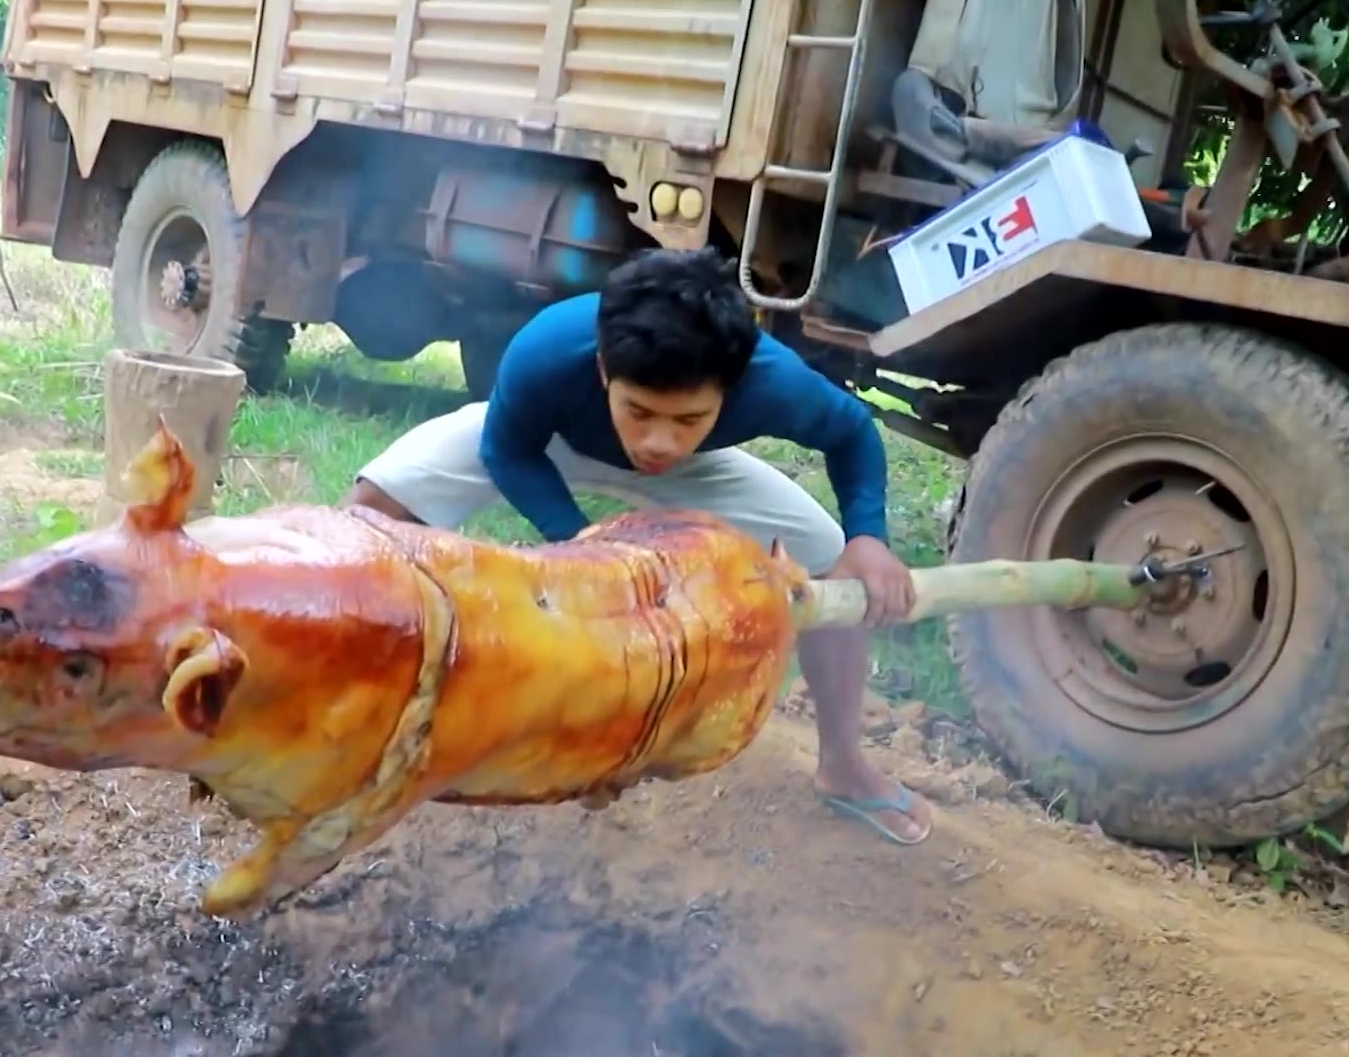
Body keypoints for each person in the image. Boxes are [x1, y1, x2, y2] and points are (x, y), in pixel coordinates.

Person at [343, 246, 936, 847]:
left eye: (686, 417)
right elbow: (507, 449)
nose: (657, 440)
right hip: (549, 439)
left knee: (834, 566)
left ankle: (843, 764)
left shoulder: (771, 382)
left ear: (729, 390)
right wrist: (578, 544)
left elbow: (853, 433)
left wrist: (868, 535)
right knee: (370, 505)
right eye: (641, 411)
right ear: (604, 369)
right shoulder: (545, 350)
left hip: (702, 470)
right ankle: (349, 720)